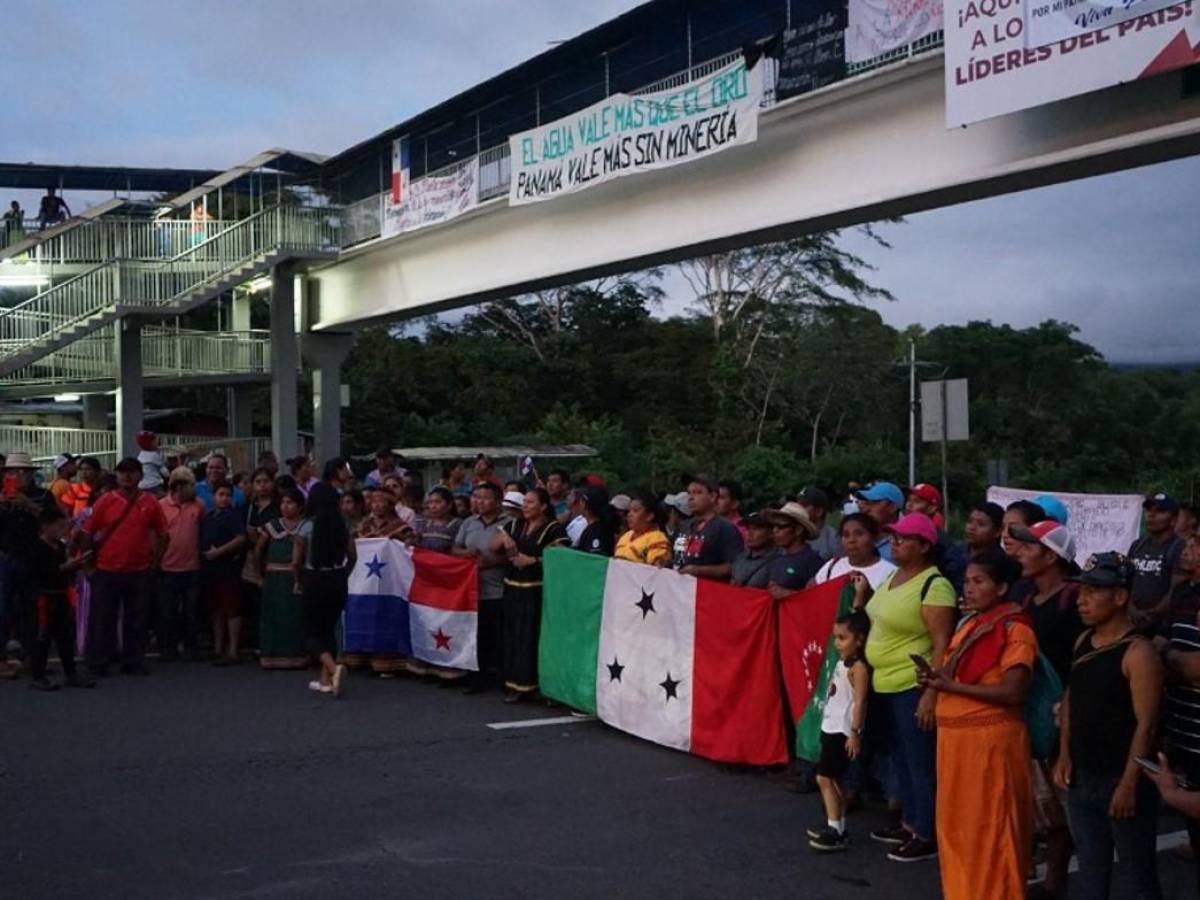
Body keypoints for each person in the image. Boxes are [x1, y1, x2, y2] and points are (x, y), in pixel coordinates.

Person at [918, 549, 1035, 900]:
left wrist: (949, 686)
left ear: (1001, 588)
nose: (969, 588)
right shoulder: (970, 623)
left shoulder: (1016, 628)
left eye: (979, 581)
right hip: (956, 745)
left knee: (990, 832)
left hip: (990, 746)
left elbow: (1014, 691)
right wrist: (934, 679)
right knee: (958, 831)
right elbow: (955, 671)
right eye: (967, 581)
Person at [1054, 552, 1163, 900]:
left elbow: (1146, 725)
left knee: (1135, 874)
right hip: (1084, 774)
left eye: (1093, 592)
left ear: (1119, 597)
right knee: (1091, 867)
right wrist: (1065, 754)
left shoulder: (1138, 653)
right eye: (1081, 591)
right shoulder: (1083, 642)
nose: (1082, 600)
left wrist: (1130, 783)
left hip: (1121, 776)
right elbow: (1072, 700)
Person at [857, 512, 956, 863]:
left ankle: (926, 831)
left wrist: (932, 692)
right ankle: (910, 821)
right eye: (894, 538)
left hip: (910, 684)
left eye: (903, 539)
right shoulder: (894, 577)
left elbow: (943, 643)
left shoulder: (935, 585)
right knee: (899, 758)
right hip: (885, 681)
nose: (894, 543)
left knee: (919, 761)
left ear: (925, 546)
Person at [1009, 519, 1082, 897]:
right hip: (1030, 711)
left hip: (1061, 714)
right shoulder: (1026, 597)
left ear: (1051, 557)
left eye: (1029, 547)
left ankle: (1056, 881)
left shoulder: (1075, 599)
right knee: (1036, 801)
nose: (1020, 552)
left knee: (1059, 804)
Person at [79, 457, 167, 676]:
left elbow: (164, 534)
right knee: (102, 619)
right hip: (106, 570)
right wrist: (88, 565)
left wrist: (155, 562)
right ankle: (100, 661)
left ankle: (133, 661)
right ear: (116, 476)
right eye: (122, 472)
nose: (126, 476)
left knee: (137, 620)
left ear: (140, 476)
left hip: (139, 570)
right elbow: (87, 533)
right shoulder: (105, 501)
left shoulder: (150, 502)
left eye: (131, 472)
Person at [491, 488, 569, 703]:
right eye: (524, 502)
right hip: (512, 587)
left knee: (531, 637)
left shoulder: (553, 528)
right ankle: (513, 683)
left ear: (543, 506)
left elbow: (563, 557)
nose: (525, 506)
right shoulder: (515, 524)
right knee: (512, 636)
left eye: (530, 502)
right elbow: (493, 546)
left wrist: (533, 561)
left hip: (536, 589)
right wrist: (505, 541)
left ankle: (533, 685)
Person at [807, 611, 871, 852]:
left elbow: (861, 701)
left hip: (841, 731)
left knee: (824, 777)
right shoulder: (843, 662)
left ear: (859, 640)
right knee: (831, 778)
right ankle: (836, 825)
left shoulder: (859, 668)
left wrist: (854, 732)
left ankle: (836, 828)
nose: (837, 643)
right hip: (830, 725)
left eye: (843, 638)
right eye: (835, 638)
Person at [1157, 534, 1200, 877]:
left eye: (1197, 544)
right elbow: (1161, 643)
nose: (1188, 550)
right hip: (1184, 729)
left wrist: (1171, 658)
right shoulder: (1185, 594)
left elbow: (1193, 668)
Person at [292, 482, 356, 697]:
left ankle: (332, 667)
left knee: (308, 630)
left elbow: (295, 561)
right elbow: (353, 556)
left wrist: (298, 580)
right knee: (329, 628)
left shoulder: (306, 525)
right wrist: (344, 574)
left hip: (314, 578)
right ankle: (325, 681)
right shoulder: (343, 524)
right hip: (337, 578)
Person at [27, 506, 95, 690]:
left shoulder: (60, 546)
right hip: (45, 597)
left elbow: (64, 570)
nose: (62, 531)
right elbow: (43, 573)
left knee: (65, 637)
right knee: (43, 637)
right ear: (45, 527)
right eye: (58, 526)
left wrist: (77, 565)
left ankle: (70, 674)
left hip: (61, 595)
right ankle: (38, 675)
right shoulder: (37, 548)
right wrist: (67, 566)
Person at [454, 482, 509, 694]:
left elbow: (513, 554)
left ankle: (502, 675)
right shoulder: (468, 522)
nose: (480, 501)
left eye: (485, 497)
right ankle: (476, 676)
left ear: (497, 501)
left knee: (498, 636)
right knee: (475, 636)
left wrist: (493, 561)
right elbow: (455, 548)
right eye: (476, 497)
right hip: (471, 589)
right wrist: (466, 554)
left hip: (498, 588)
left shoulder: (510, 522)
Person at [255, 487, 308, 670]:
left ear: (300, 506)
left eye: (290, 502)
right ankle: (271, 655)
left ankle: (296, 655)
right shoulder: (272, 526)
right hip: (274, 577)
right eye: (283, 502)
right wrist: (259, 575)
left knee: (295, 617)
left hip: (297, 577)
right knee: (272, 616)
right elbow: (258, 551)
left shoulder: (306, 526)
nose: (285, 507)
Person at [157, 466, 205, 661]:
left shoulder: (198, 506)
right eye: (191, 485)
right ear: (178, 486)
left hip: (192, 567)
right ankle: (168, 648)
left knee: (191, 612)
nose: (194, 489)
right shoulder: (161, 506)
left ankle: (191, 647)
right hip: (167, 567)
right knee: (167, 612)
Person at [200, 481, 247, 666]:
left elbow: (241, 538)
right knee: (216, 609)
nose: (225, 498)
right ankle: (218, 648)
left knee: (232, 609)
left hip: (228, 567)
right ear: (214, 496)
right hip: (211, 569)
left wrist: (219, 551)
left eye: (228, 495)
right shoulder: (209, 516)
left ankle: (233, 650)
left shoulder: (233, 516)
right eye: (221, 494)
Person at [1128, 491, 1185, 631]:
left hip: (1163, 626)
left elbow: (1178, 589)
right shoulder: (1137, 545)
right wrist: (1132, 610)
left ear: (1173, 520)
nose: (1151, 515)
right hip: (1133, 621)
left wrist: (1154, 613)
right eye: (1148, 510)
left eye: (1159, 511)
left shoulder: (1180, 547)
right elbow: (1125, 581)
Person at [675, 475, 744, 582]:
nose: (690, 497)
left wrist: (699, 570)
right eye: (689, 492)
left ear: (712, 497)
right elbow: (677, 556)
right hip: (679, 591)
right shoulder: (684, 526)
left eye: (698, 492)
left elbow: (734, 566)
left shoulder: (725, 528)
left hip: (707, 593)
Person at [814, 512, 896, 590]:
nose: (851, 540)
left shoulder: (890, 573)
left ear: (874, 538)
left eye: (859, 534)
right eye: (846, 535)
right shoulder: (832, 566)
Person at [940, 501, 1003, 597]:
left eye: (981, 524)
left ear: (998, 531)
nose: (972, 527)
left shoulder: (1002, 562)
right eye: (969, 521)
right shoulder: (955, 552)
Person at [765, 502, 823, 599]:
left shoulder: (814, 562)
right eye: (773, 526)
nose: (775, 530)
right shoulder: (776, 560)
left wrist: (789, 594)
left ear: (798, 530)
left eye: (781, 526)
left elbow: (819, 599)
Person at [615, 494, 672, 567]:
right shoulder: (625, 536)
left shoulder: (657, 538)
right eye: (629, 511)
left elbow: (657, 569)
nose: (629, 515)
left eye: (635, 511)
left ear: (649, 516)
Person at [855, 482, 905, 562]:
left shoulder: (907, 539)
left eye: (875, 503)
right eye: (867, 503)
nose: (867, 509)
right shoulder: (859, 533)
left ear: (893, 507)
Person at [729, 512, 777, 588]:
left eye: (756, 529)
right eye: (747, 528)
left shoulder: (778, 560)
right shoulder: (739, 558)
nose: (749, 533)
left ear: (771, 533)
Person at [412, 486, 461, 553]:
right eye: (430, 502)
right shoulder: (422, 523)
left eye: (438, 502)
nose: (433, 506)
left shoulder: (458, 524)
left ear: (449, 504)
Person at [798, 487, 841, 561]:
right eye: (798, 505)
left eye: (804, 505)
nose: (799, 509)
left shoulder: (833, 538)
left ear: (819, 512)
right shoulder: (794, 534)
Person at [576, 485, 618, 557]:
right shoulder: (596, 528)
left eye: (580, 501)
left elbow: (594, 560)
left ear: (584, 504)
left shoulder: (596, 532)